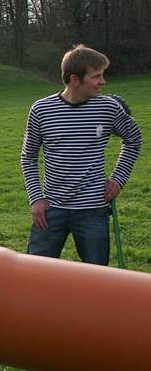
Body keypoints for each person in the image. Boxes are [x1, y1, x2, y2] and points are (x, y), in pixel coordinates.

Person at [21, 44, 143, 265]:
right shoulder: (41, 110)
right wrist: (36, 198)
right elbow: (28, 156)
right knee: (35, 273)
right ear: (75, 80)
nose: (103, 82)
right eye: (96, 76)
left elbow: (134, 140)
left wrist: (118, 179)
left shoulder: (108, 108)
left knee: (97, 278)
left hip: (93, 210)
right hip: (51, 209)